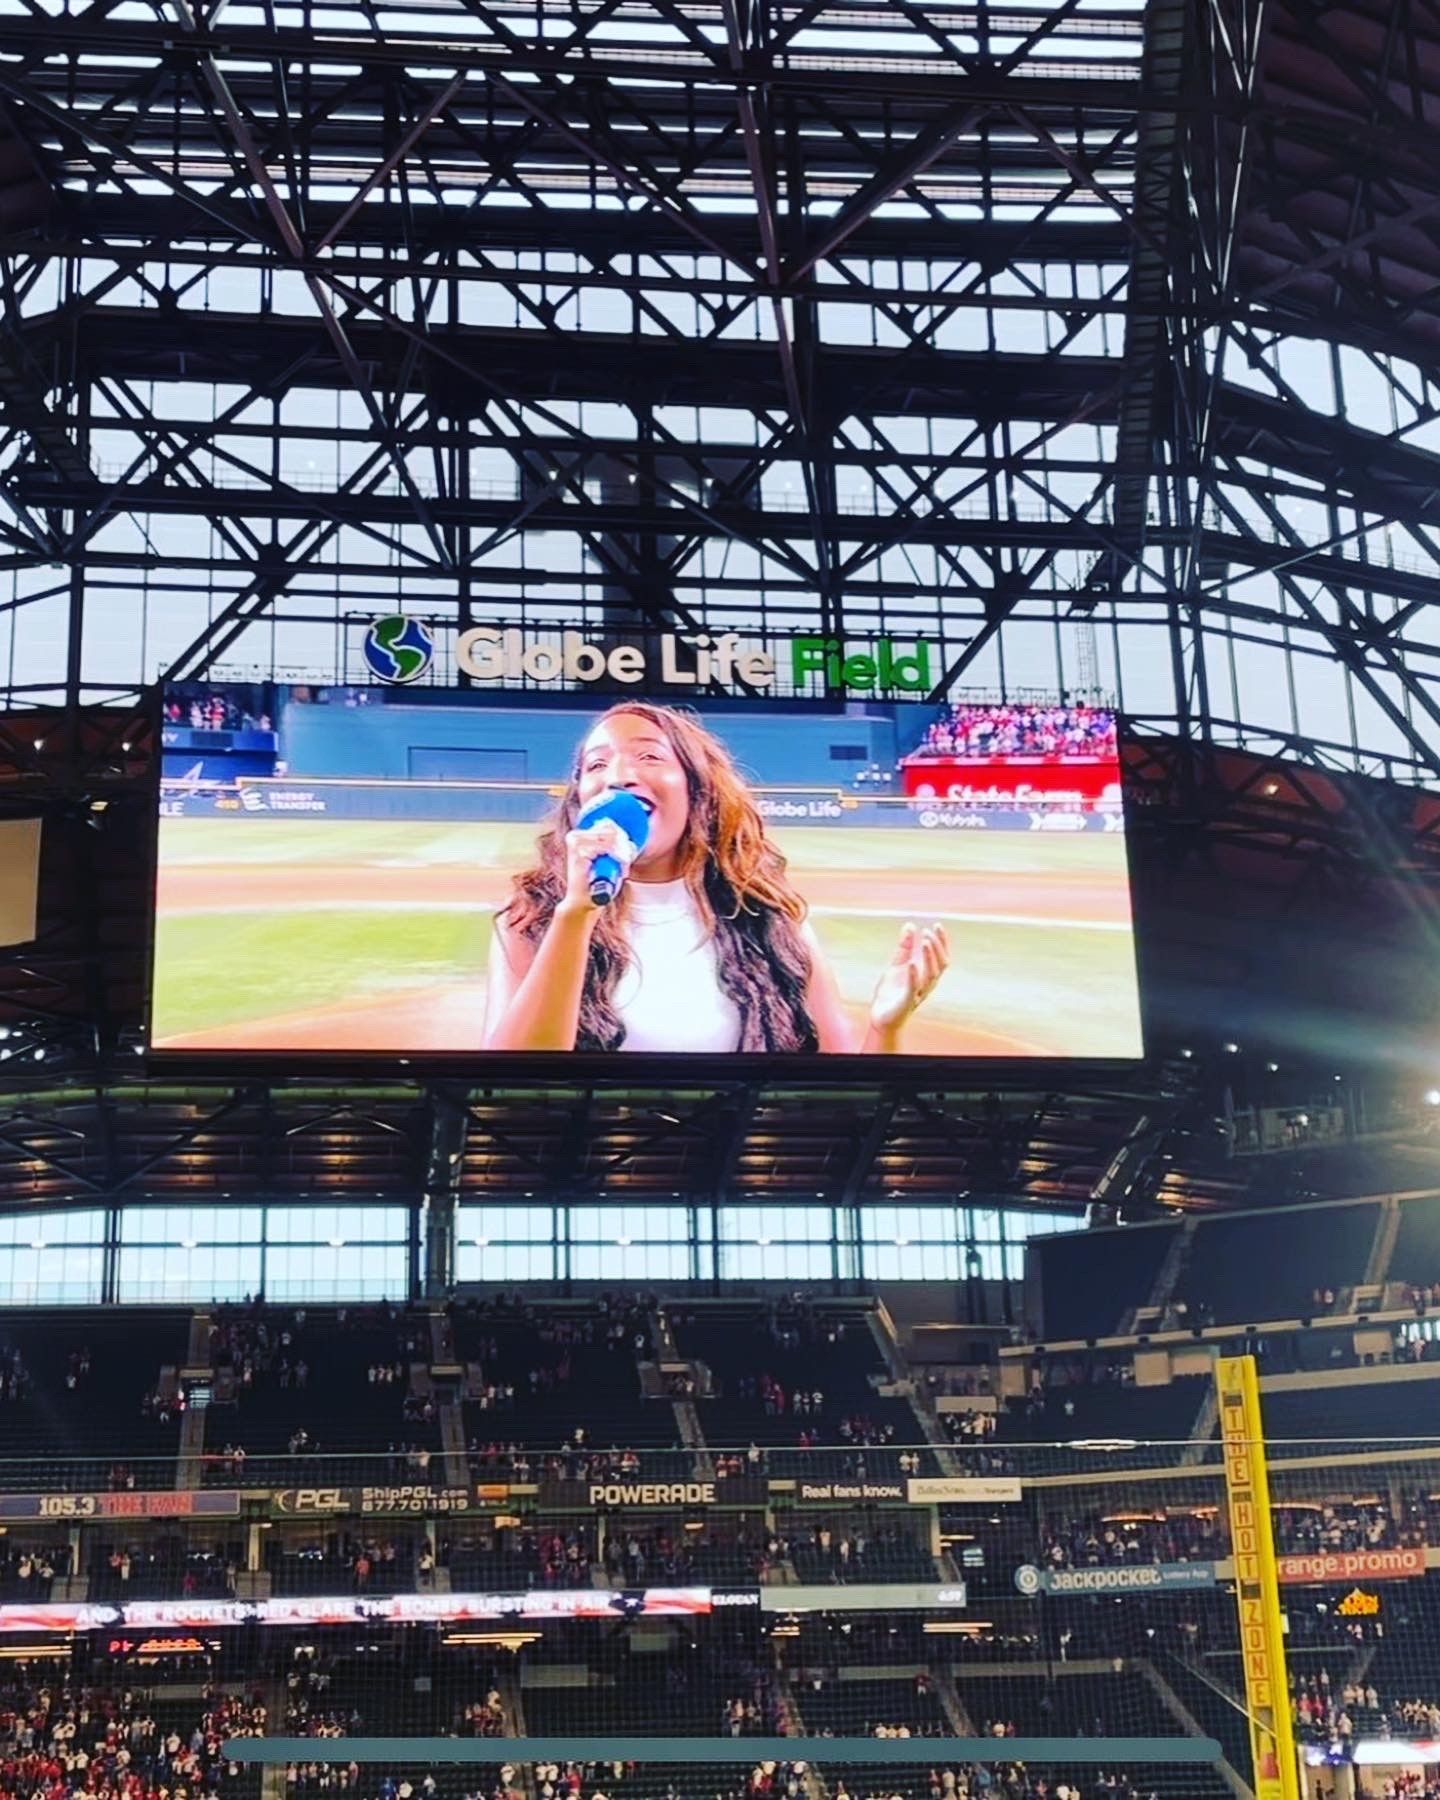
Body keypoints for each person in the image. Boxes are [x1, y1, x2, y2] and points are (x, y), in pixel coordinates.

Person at [482, 702, 950, 1052]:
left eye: (649, 757)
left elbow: (844, 1102)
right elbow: (504, 1092)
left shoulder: (772, 921)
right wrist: (576, 915)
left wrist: (887, 1030)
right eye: (596, 765)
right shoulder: (531, 920)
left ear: (697, 787)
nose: (619, 776)